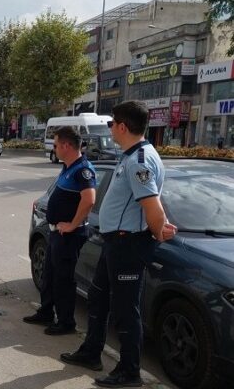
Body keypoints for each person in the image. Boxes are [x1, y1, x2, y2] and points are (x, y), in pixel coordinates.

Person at [60, 101, 177, 388]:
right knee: (98, 299)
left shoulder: (140, 161)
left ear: (122, 127)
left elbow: (153, 206)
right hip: (114, 242)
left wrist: (159, 230)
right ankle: (91, 352)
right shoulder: (132, 156)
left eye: (112, 124)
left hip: (128, 245)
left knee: (126, 310)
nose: (110, 128)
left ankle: (130, 371)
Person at [23, 126, 96, 336]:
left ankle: (66, 322)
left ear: (66, 145)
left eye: (55, 144)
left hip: (69, 235)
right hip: (56, 233)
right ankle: (46, 312)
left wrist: (72, 224)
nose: (53, 148)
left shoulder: (83, 169)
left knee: (63, 280)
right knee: (49, 275)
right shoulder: (68, 167)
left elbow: (89, 199)